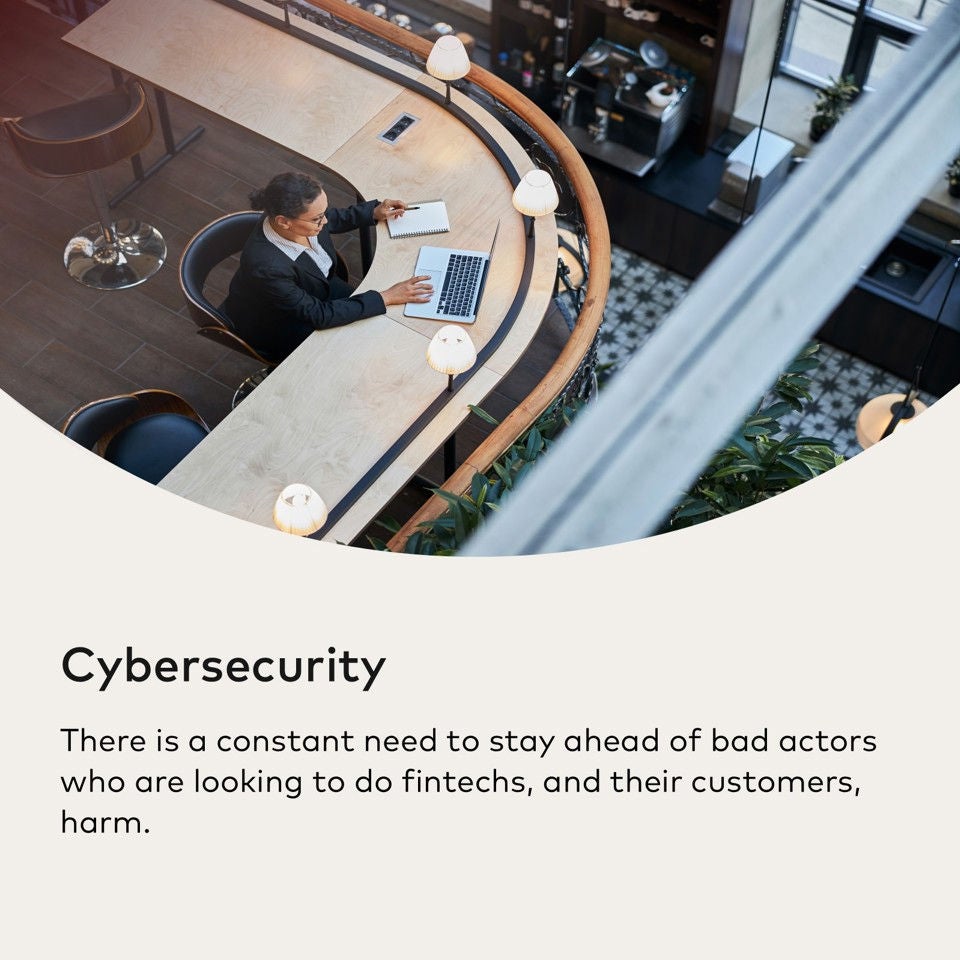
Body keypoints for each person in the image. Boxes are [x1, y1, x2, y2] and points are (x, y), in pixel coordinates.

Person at [222, 172, 433, 362]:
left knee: (380, 321)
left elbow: (331, 218)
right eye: (317, 218)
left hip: (317, 288)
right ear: (284, 222)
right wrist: (386, 296)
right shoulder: (267, 267)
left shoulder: (295, 220)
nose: (324, 221)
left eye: (323, 211)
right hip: (280, 322)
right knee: (359, 345)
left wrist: (373, 212)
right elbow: (319, 315)